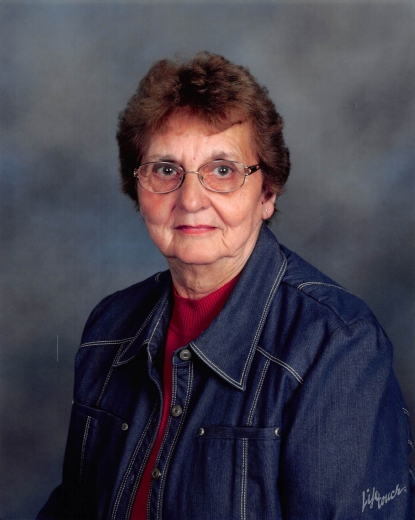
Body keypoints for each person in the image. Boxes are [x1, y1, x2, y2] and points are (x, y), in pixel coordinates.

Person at [37, 52, 414, 519]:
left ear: (268, 193)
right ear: (137, 187)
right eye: (166, 170)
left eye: (223, 170)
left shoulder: (337, 347)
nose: (191, 200)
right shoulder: (108, 329)